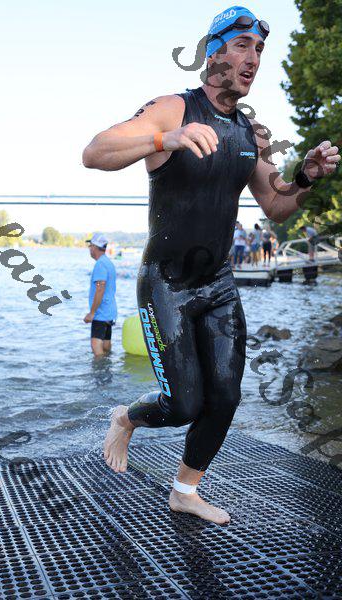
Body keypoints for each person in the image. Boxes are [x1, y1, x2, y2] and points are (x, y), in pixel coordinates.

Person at [82, 5, 340, 523]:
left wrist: (305, 179)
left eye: (259, 49)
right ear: (213, 51)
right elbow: (95, 152)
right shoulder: (173, 109)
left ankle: (185, 490)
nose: (253, 58)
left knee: (224, 396)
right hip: (167, 282)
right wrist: (165, 139)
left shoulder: (251, 133)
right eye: (242, 45)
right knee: (181, 405)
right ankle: (126, 417)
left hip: (218, 284)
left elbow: (276, 205)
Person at [84, 233, 117, 357]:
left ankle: (101, 369)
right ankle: (108, 365)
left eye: (90, 246)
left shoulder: (100, 264)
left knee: (96, 346)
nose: (89, 249)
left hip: (101, 313)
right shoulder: (108, 262)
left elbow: (100, 288)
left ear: (94, 247)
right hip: (110, 311)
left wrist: (92, 313)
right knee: (106, 345)